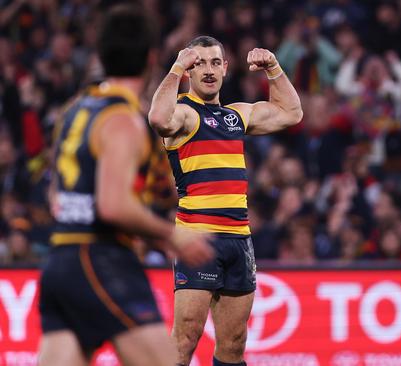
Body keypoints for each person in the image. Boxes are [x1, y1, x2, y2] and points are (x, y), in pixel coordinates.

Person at [38, 5, 214, 366]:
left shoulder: (75, 110)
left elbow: (58, 194)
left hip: (60, 260)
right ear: (152, 57)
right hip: (101, 260)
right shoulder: (123, 121)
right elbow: (113, 205)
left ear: (100, 55)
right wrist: (171, 235)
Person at [148, 36, 302, 366]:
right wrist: (176, 66)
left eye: (215, 62)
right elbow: (158, 118)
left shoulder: (237, 116)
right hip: (197, 237)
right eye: (199, 63)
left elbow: (291, 113)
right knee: (187, 335)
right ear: (189, 70)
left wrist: (273, 68)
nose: (208, 69)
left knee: (234, 342)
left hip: (238, 239)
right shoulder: (184, 116)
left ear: (225, 69)